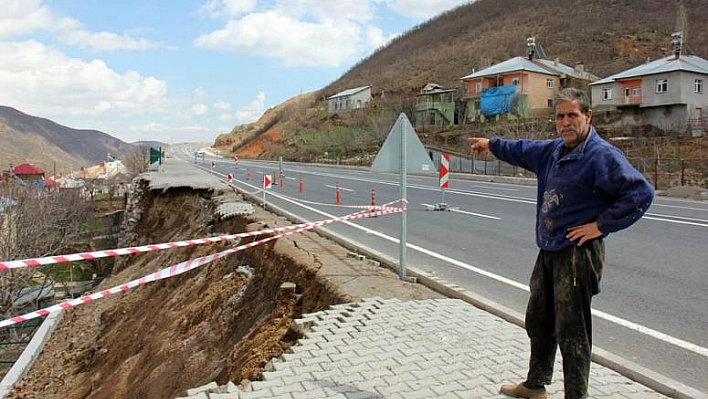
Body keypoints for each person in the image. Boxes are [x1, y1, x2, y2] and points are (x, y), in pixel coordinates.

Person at [468, 88, 654, 399]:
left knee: (572, 331)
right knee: (538, 319)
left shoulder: (601, 156)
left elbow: (641, 193)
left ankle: (575, 396)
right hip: (550, 247)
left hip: (578, 255)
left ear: (588, 117)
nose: (565, 122)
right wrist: (491, 145)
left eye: (573, 115)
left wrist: (600, 226)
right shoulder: (553, 151)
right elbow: (523, 149)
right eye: (560, 116)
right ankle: (535, 384)